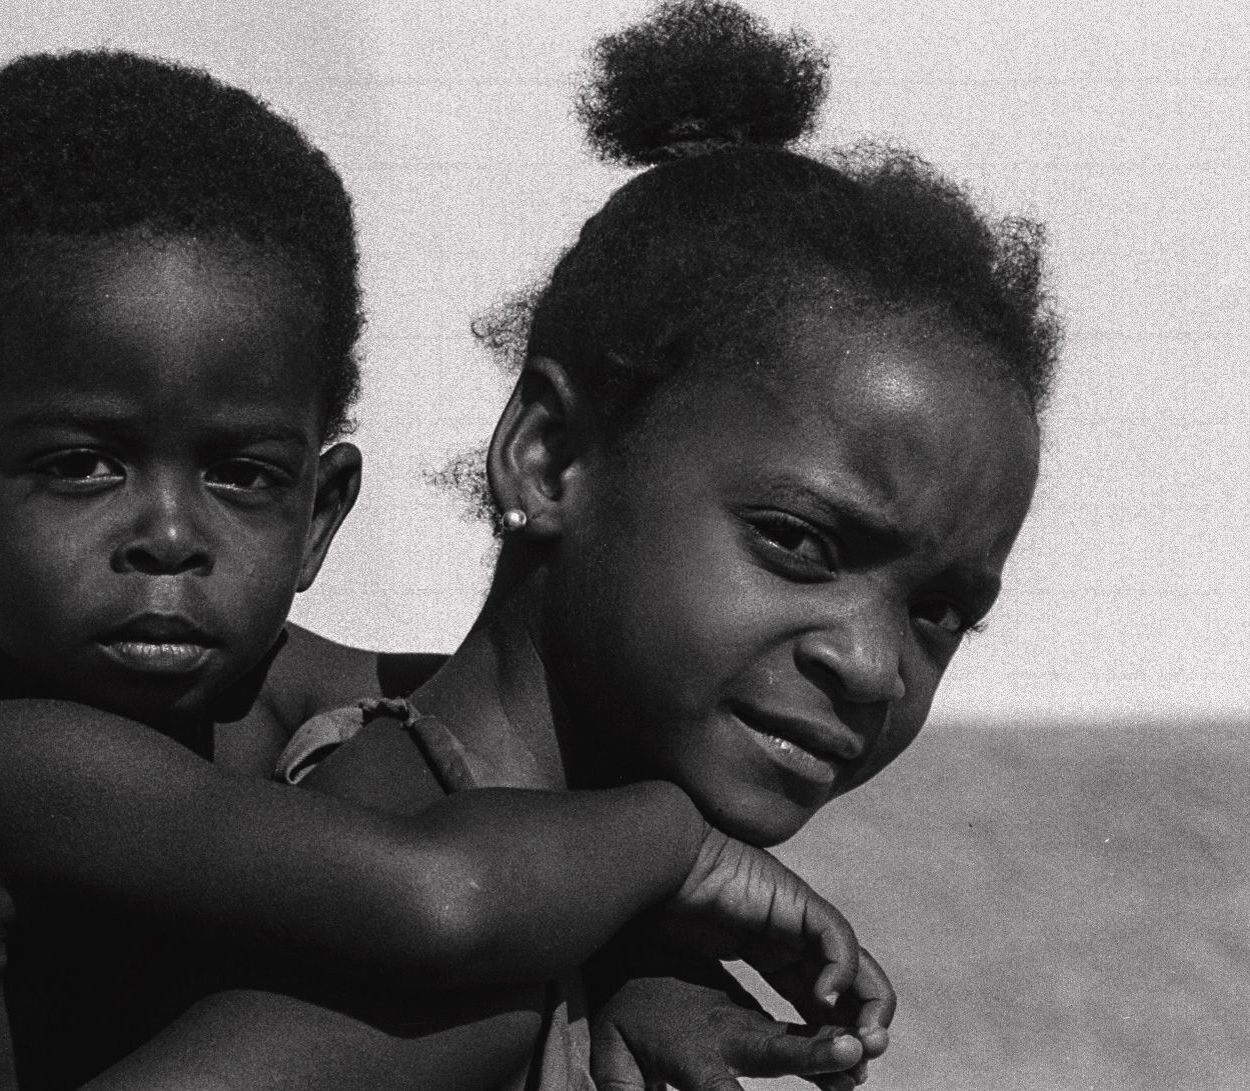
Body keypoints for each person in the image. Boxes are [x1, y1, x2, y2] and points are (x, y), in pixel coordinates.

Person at [0, 47, 883, 1091]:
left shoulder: (253, 689)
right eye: (82, 465)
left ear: (320, 513)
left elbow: (495, 733)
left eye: (241, 474)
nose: (169, 536)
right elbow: (443, 899)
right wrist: (672, 848)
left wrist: (630, 958)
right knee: (469, 1005)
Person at [89, 2, 1060, 1089]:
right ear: (548, 461)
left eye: (939, 611)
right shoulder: (427, 943)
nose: (874, 665)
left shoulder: (541, 913)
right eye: (796, 540)